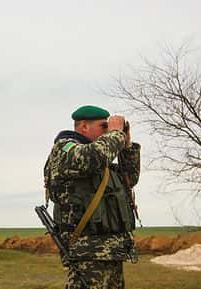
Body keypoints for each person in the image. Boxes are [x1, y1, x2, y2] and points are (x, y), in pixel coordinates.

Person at [43, 105, 140, 289]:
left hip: (111, 250)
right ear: (84, 127)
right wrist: (116, 135)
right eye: (104, 127)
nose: (109, 131)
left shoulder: (99, 160)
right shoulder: (66, 149)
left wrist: (126, 145)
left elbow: (129, 179)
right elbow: (93, 157)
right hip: (87, 252)